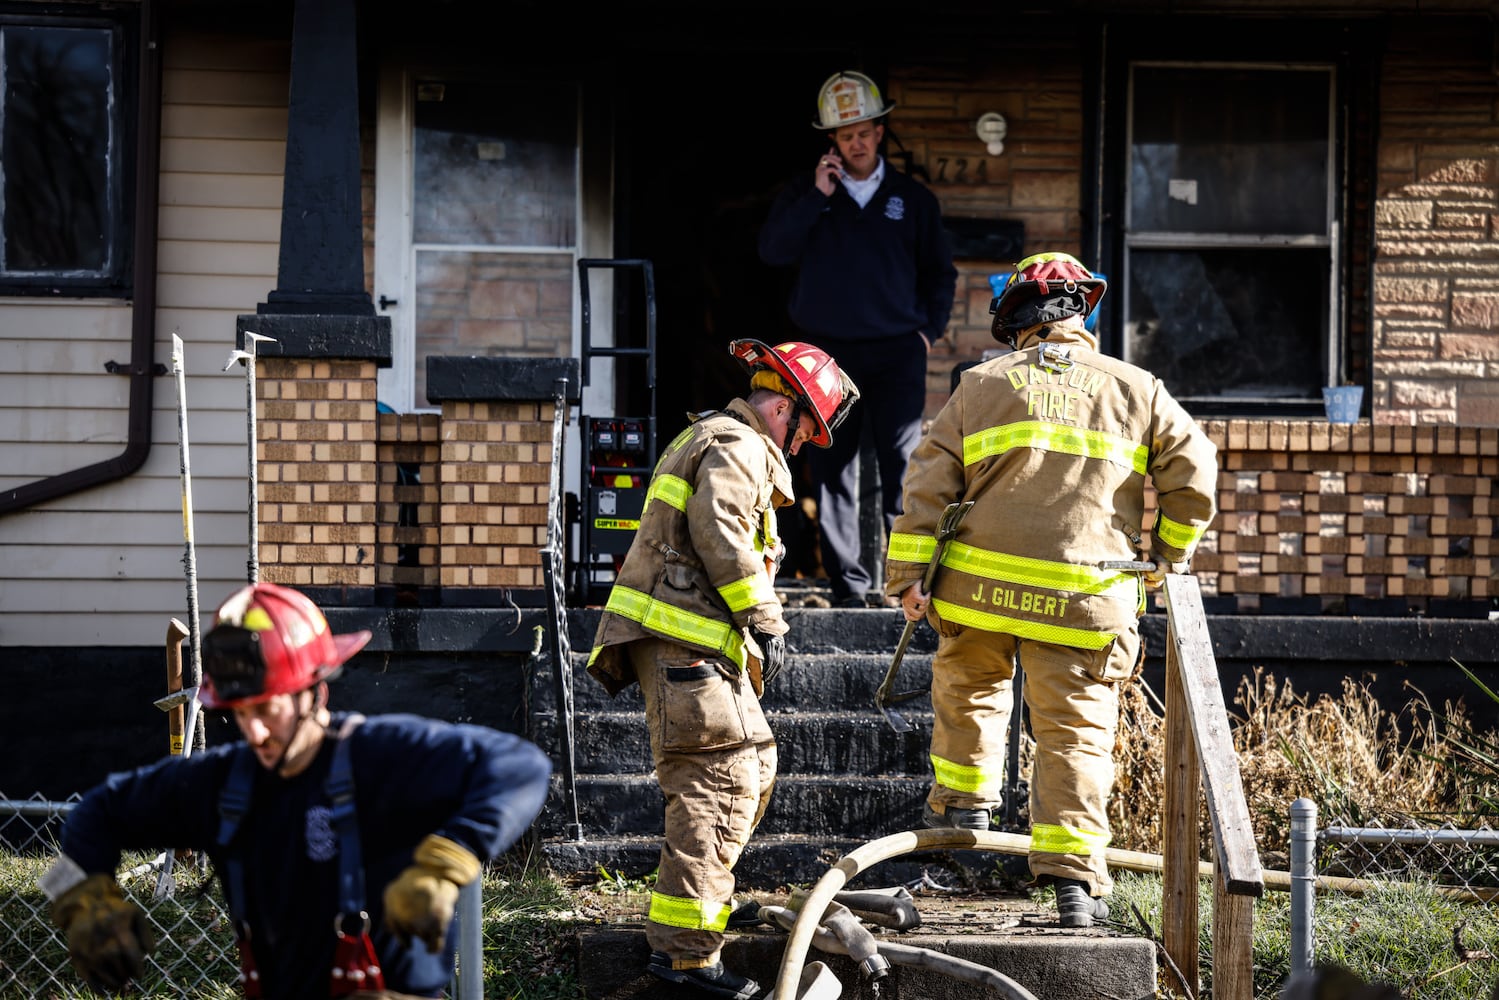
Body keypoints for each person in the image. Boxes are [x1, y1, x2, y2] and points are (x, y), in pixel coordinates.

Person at [884, 251, 1218, 928]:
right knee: (1075, 734)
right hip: (1082, 600)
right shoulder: (1136, 387)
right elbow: (1195, 474)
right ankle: (1071, 885)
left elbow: (926, 483)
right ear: (1081, 314)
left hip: (975, 592)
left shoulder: (979, 385)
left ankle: (966, 808)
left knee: (969, 686)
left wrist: (907, 579)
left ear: (1016, 319)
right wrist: (1165, 554)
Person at [40, 581, 552, 998]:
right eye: (240, 715)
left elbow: (520, 766)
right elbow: (95, 812)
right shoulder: (221, 783)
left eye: (267, 710)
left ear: (316, 692)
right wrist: (80, 897)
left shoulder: (381, 755)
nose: (254, 733)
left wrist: (450, 861)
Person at [586, 338, 857, 1000]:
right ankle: (685, 961)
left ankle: (702, 908)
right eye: (803, 433)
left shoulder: (716, 437)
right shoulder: (736, 444)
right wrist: (764, 615)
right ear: (781, 407)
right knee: (719, 785)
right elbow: (722, 532)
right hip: (686, 648)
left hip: (695, 648)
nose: (798, 449)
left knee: (752, 766)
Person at [758, 70, 957, 609]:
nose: (857, 142)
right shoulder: (808, 192)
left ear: (880, 130)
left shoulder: (912, 200)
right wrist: (818, 198)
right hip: (826, 355)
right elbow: (772, 252)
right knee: (833, 468)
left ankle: (901, 584)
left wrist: (925, 334)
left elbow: (941, 273)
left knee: (904, 470)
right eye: (846, 135)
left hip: (897, 351)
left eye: (865, 131)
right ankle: (848, 587)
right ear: (832, 140)